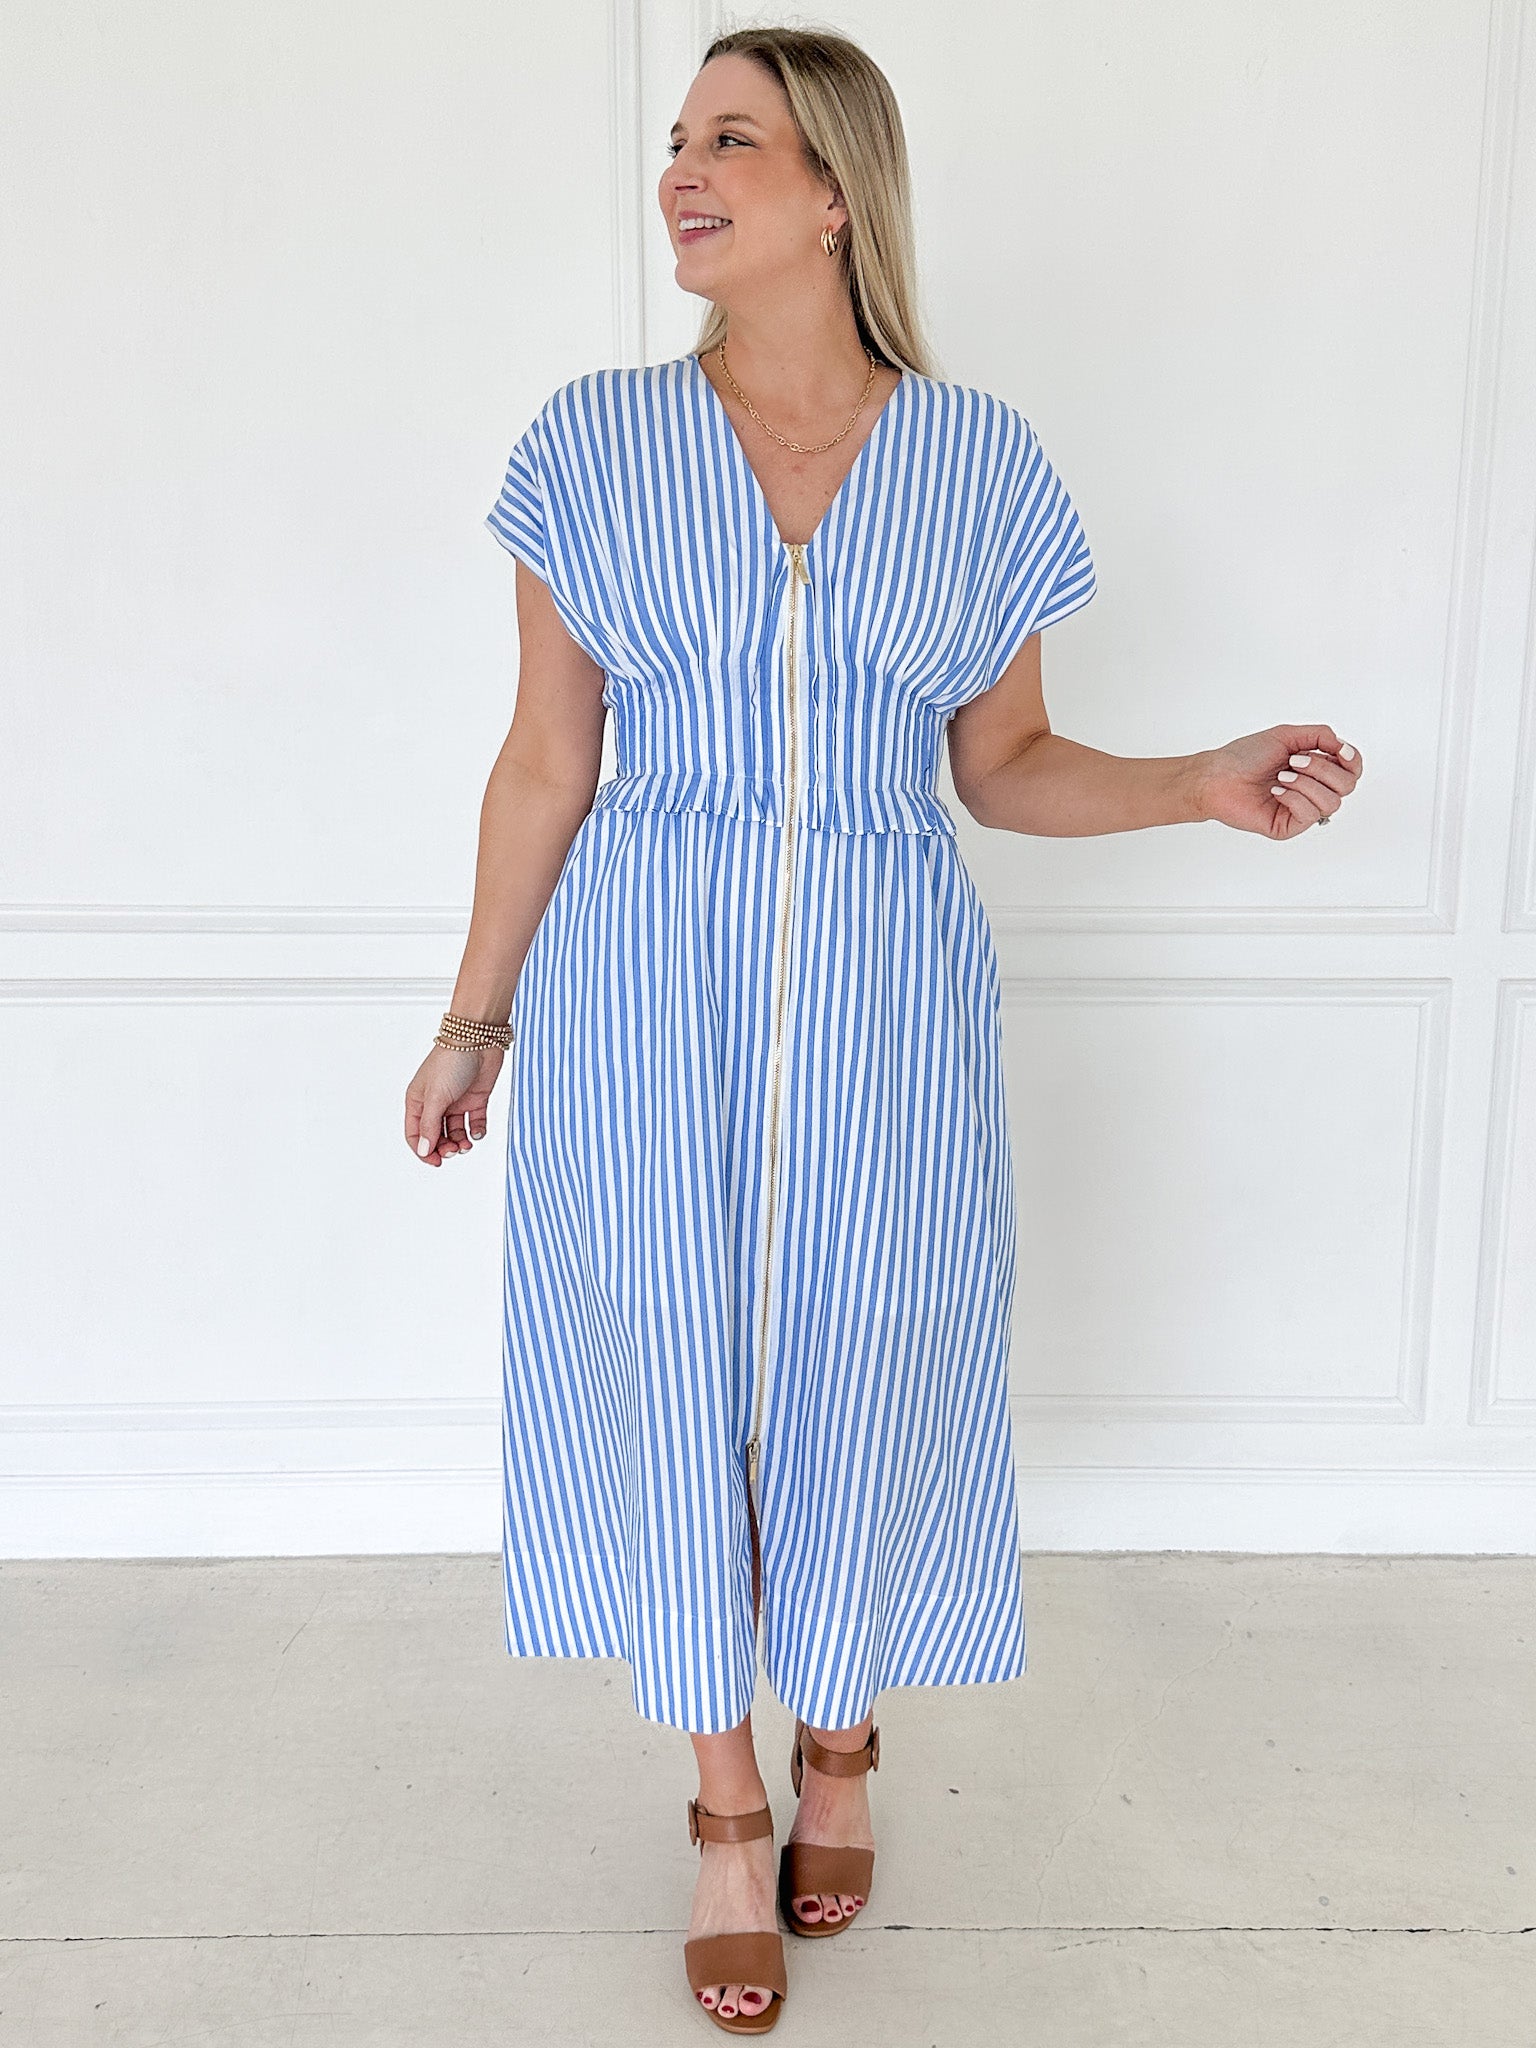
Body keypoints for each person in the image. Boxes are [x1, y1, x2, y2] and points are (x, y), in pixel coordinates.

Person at [404, 23, 1363, 2036]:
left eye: (730, 140)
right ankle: (726, 1800)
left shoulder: (979, 460)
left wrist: (1196, 781)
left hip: (887, 984)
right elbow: (544, 760)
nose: (681, 169)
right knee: (667, 1354)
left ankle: (841, 1732)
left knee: (874, 1343)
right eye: (677, 138)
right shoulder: (591, 443)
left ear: (836, 192)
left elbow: (1000, 764)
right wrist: (476, 1015)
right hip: (641, 978)